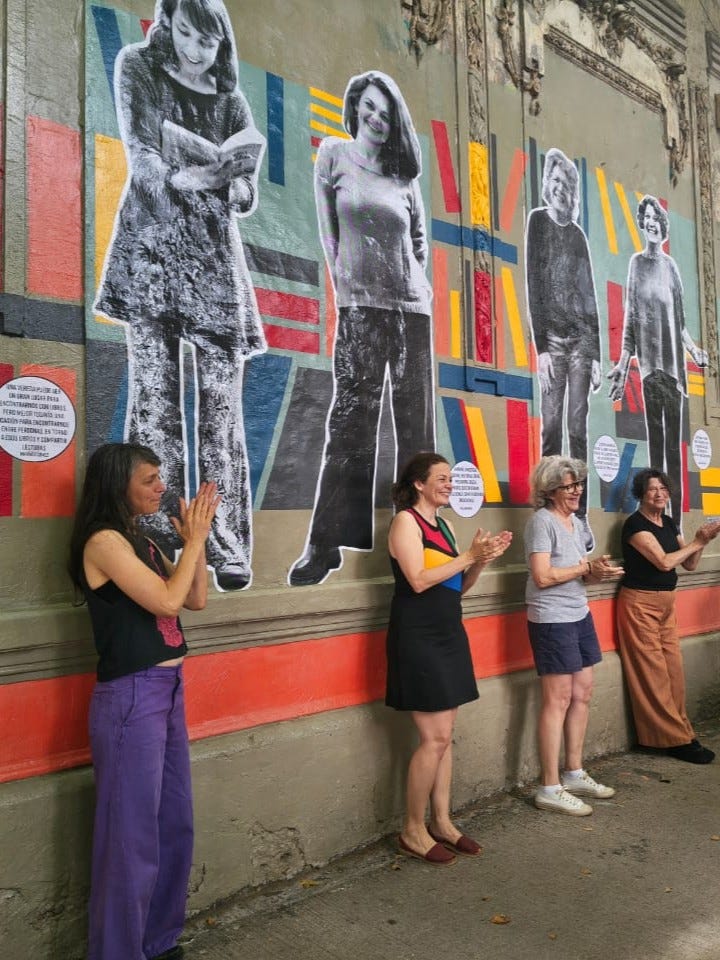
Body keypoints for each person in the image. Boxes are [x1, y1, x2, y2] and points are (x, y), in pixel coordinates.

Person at [94, 0, 266, 592]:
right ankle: (155, 530)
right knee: (154, 398)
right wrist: (181, 178)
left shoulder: (231, 99)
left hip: (214, 259)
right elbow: (139, 152)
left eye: (207, 42)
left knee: (222, 408)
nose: (195, 51)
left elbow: (246, 188)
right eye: (186, 34)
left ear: (222, 43)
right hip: (151, 248)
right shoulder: (137, 66)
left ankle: (225, 538)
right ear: (168, 26)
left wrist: (234, 185)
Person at [68, 442, 219, 960]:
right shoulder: (104, 541)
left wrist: (195, 545)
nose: (161, 487)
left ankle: (157, 941)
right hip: (131, 694)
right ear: (119, 484)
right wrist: (193, 541)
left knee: (173, 822)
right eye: (149, 479)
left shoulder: (142, 539)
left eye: (159, 477)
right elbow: (167, 601)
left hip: (167, 691)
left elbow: (194, 598)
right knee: (128, 837)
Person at [289, 71, 434, 586]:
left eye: (386, 114)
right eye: (369, 106)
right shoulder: (333, 155)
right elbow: (329, 233)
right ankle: (326, 543)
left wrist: (408, 285)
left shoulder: (404, 178)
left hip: (411, 311)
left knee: (415, 429)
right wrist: (347, 285)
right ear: (356, 107)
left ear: (396, 124)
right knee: (350, 421)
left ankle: (421, 538)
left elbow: (419, 243)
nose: (375, 117)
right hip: (360, 308)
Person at [386, 453, 512, 864]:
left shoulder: (446, 526)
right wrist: (469, 557)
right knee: (434, 738)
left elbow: (458, 585)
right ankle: (412, 829)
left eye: (450, 478)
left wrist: (481, 561)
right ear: (418, 484)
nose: (449, 484)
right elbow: (418, 580)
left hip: (448, 633)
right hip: (417, 636)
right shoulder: (406, 522)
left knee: (445, 734)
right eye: (441, 478)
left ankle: (441, 822)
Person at [524, 455, 623, 816]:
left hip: (579, 613)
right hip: (551, 618)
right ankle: (549, 787)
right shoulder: (541, 522)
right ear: (550, 491)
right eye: (568, 486)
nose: (576, 491)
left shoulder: (577, 523)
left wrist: (598, 572)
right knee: (559, 698)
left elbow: (580, 574)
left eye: (578, 484)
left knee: (583, 692)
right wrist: (584, 567)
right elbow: (542, 576)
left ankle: (574, 772)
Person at [608, 195, 707, 527]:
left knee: (674, 454)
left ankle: (675, 524)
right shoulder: (636, 264)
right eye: (646, 218)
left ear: (663, 225)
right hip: (650, 371)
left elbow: (679, 323)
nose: (650, 222)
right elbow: (630, 321)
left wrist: (694, 351)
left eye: (655, 218)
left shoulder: (671, 267)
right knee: (656, 453)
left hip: (673, 371)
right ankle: (658, 521)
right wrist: (623, 364)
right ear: (642, 223)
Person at [525, 148, 601, 551]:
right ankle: (548, 512)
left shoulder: (578, 236)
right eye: (553, 181)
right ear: (546, 186)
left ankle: (580, 515)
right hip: (552, 341)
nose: (559, 188)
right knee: (551, 427)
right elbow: (533, 286)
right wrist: (540, 348)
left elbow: (589, 296)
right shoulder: (538, 223)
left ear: (571, 192)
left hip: (582, 343)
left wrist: (597, 353)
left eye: (565, 184)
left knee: (577, 427)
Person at [616, 468, 719, 763]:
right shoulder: (635, 525)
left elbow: (689, 564)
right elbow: (663, 562)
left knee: (674, 671)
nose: (659, 494)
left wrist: (702, 541)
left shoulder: (670, 522)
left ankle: (681, 730)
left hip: (666, 605)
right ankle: (674, 741)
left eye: (663, 488)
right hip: (640, 604)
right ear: (641, 494)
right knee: (654, 674)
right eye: (652, 489)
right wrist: (696, 543)